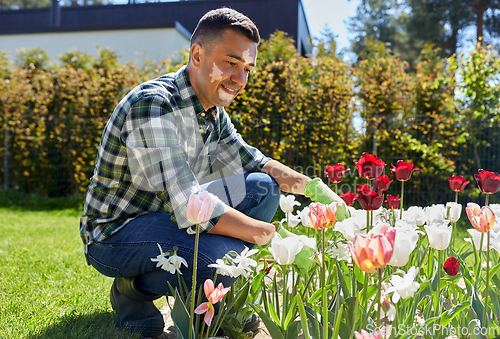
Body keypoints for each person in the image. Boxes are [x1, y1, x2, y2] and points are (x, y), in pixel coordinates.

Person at [79, 7, 347, 338]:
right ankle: (134, 292)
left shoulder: (212, 112)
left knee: (262, 187)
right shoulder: (154, 104)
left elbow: (255, 162)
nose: (240, 79)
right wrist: (272, 237)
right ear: (196, 54)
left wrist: (316, 190)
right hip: (117, 234)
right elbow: (188, 204)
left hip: (168, 219)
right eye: (231, 63)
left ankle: (213, 300)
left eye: (247, 68)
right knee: (222, 259)